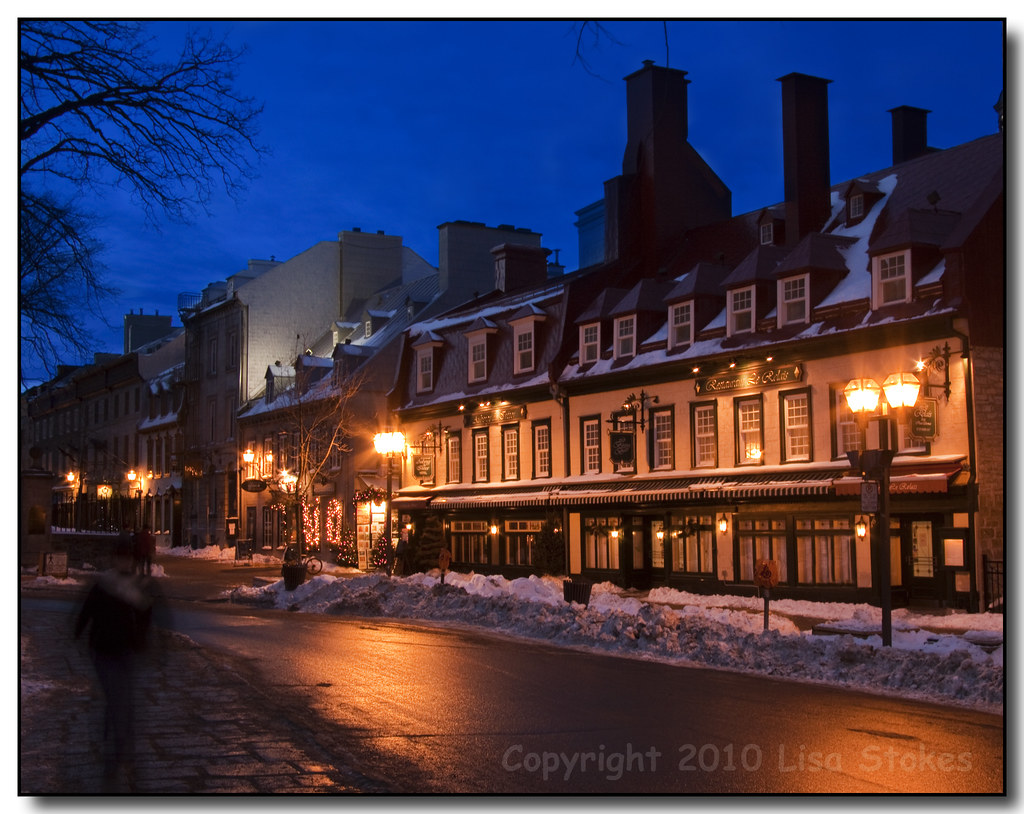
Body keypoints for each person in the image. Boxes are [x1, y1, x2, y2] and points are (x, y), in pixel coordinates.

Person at [74, 542, 162, 791]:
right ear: (114, 560)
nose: (123, 563)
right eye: (120, 558)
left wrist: (143, 640)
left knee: (121, 696)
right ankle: (118, 745)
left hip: (126, 649)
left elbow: (146, 616)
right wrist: (78, 632)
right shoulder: (104, 585)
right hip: (102, 648)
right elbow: (87, 611)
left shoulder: (138, 585)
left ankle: (118, 741)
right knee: (117, 696)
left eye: (127, 559)